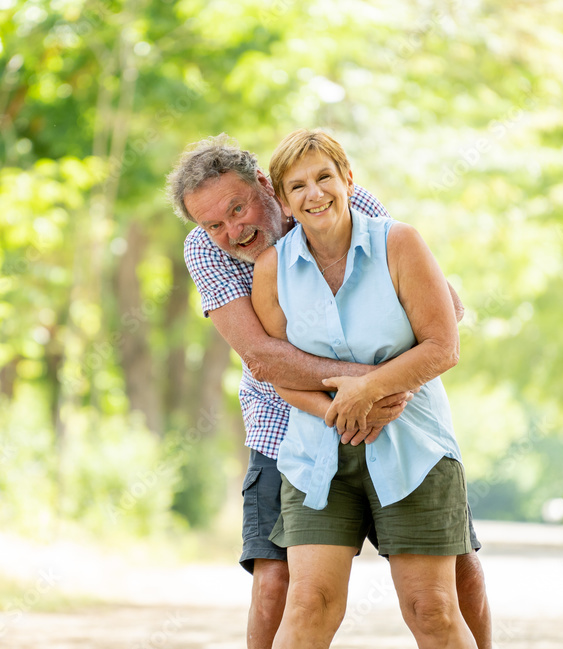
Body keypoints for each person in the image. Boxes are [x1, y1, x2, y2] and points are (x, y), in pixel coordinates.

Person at [167, 134, 491, 649]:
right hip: (288, 420)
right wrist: (360, 391)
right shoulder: (211, 250)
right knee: (281, 584)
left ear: (263, 186)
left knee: (452, 577)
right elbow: (264, 358)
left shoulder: (338, 198)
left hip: (400, 416)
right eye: (214, 223)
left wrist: (379, 387)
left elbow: (443, 315)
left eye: (238, 208)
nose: (233, 230)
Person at [251, 128, 478, 649]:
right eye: (298, 186)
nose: (315, 194)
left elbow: (443, 346)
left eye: (324, 177)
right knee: (308, 604)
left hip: (414, 450)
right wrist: (344, 410)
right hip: (316, 457)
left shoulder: (399, 242)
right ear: (283, 201)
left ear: (347, 178)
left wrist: (367, 391)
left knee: (433, 609)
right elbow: (279, 369)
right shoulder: (272, 270)